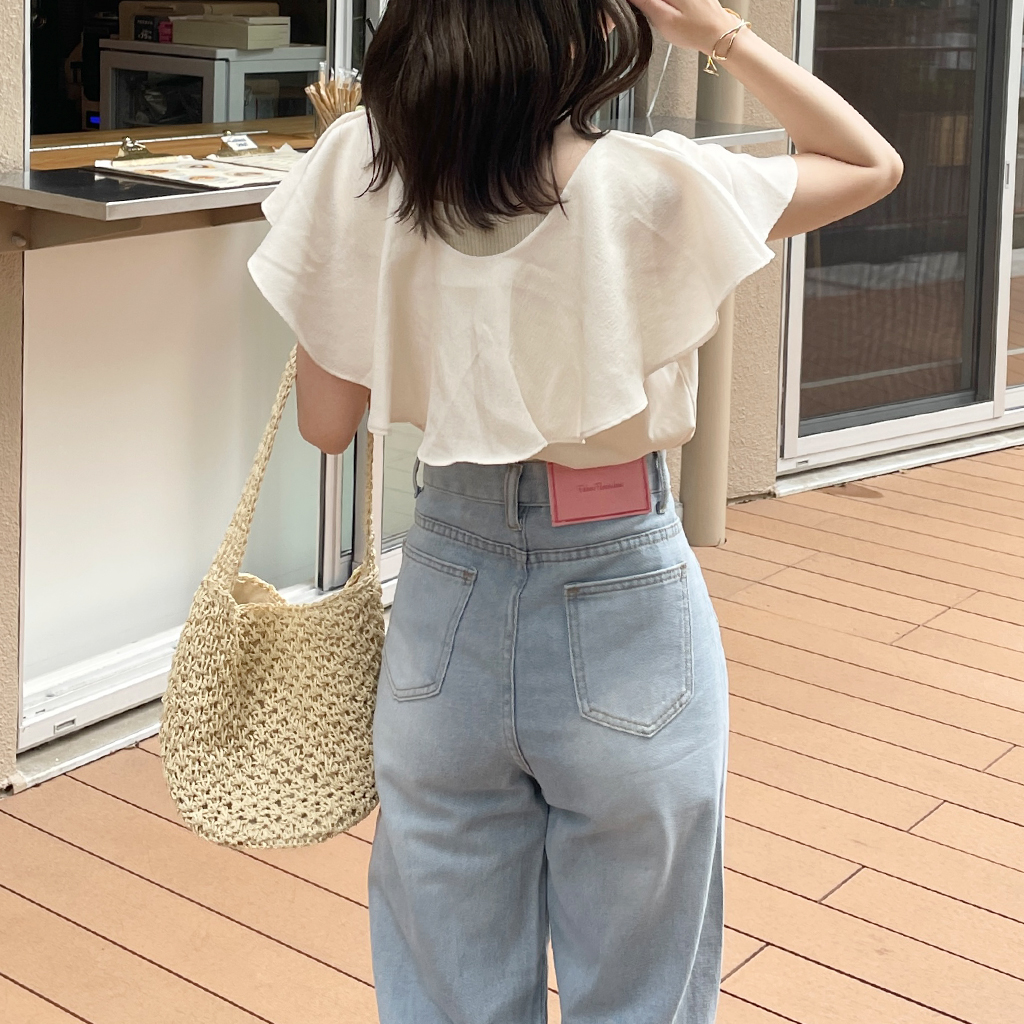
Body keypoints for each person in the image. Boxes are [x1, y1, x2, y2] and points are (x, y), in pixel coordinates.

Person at [248, 0, 901, 1020]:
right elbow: (868, 163)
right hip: (624, 585)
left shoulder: (358, 166)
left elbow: (327, 425)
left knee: (445, 988)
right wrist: (717, 33)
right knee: (640, 988)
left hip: (446, 597)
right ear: (592, 28)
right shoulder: (651, 187)